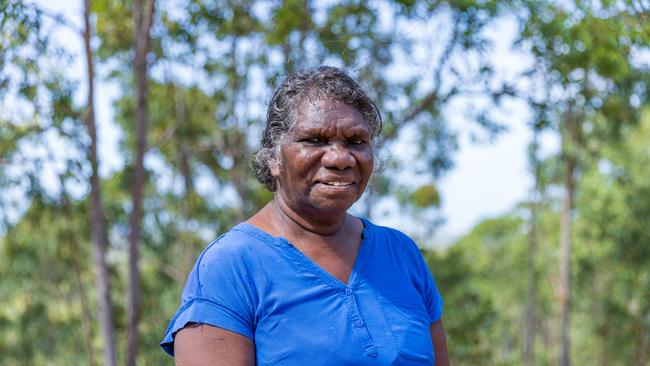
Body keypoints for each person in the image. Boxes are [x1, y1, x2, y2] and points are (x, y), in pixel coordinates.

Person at [161, 66, 449, 365]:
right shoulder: (233, 265)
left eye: (356, 141)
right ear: (273, 157)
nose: (340, 158)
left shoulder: (400, 253)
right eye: (314, 140)